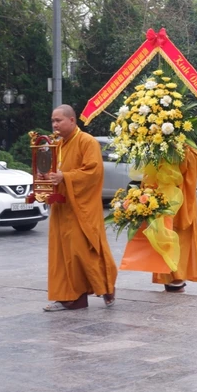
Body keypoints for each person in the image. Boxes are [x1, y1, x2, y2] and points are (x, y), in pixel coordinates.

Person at [43, 105, 117, 311]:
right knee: (61, 252)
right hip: (61, 206)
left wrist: (65, 177)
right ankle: (69, 296)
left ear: (72, 120)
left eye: (59, 120)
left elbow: (93, 172)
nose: (55, 124)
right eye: (53, 121)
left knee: (83, 251)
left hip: (81, 208)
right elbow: (51, 169)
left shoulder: (87, 141)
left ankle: (106, 286)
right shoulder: (57, 144)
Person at [120, 145, 197, 293]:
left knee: (179, 237)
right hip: (160, 199)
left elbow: (192, 169)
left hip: (180, 202)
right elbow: (149, 174)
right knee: (161, 235)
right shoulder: (157, 146)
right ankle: (167, 278)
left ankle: (178, 279)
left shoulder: (187, 149)